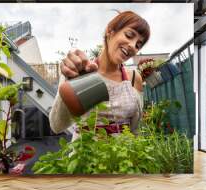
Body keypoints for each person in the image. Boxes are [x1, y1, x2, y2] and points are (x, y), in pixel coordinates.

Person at [49, 11, 150, 141]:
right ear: (110, 31)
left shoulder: (134, 78)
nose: (132, 45)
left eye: (138, 45)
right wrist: (71, 81)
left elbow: (135, 130)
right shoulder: (81, 70)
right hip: (84, 157)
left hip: (123, 158)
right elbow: (57, 126)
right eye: (129, 35)